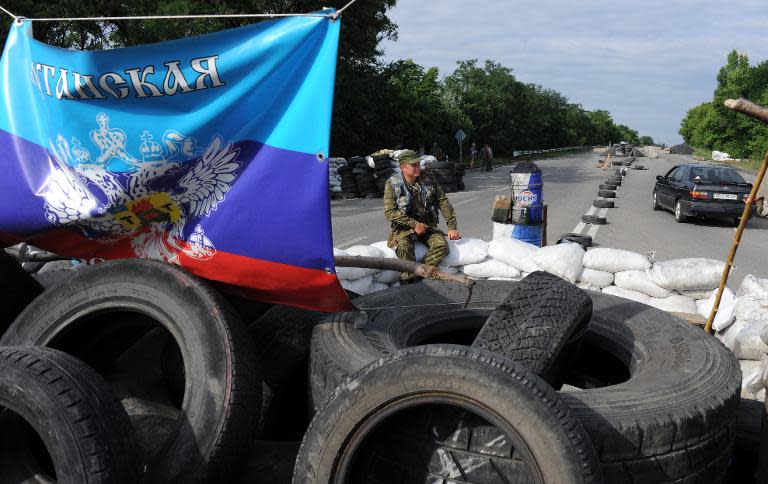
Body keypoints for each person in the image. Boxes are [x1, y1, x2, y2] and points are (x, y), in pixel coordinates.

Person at [384, 150, 461, 283]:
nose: (417, 167)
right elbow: (390, 212)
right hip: (404, 228)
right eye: (413, 165)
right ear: (403, 167)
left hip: (428, 225)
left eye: (418, 164)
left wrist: (452, 226)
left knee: (441, 245)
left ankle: (418, 277)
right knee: (404, 246)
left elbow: (443, 201)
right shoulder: (392, 183)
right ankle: (408, 282)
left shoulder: (429, 179)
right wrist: (414, 224)